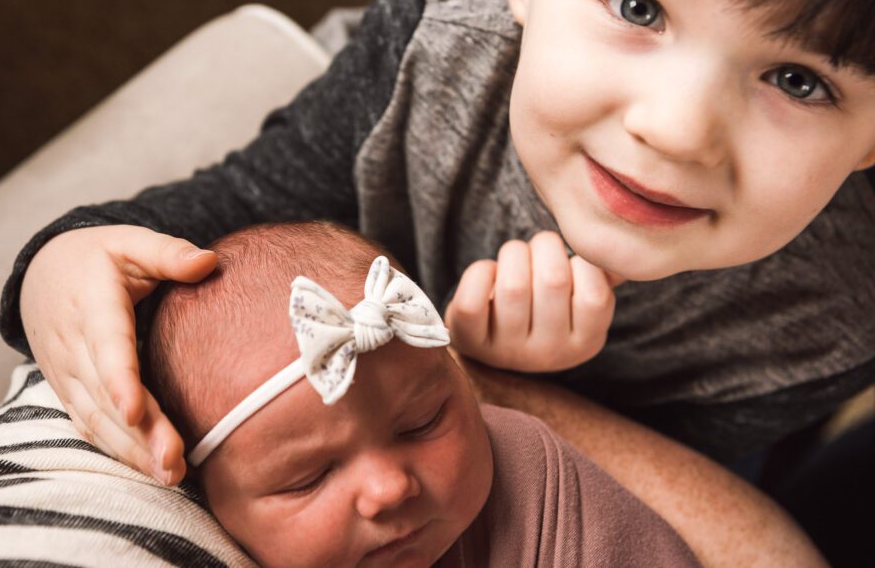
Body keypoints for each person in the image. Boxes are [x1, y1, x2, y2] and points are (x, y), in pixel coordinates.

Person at [2, 0, 875, 500]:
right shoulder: (432, 50)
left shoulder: (838, 306)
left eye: (798, 81)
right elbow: (225, 211)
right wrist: (63, 255)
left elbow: (682, 509)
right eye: (636, 6)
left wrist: (506, 382)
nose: (677, 130)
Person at [142, 220, 701, 566]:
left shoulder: (533, 473)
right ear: (205, 495)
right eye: (307, 478)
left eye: (423, 422)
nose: (390, 489)